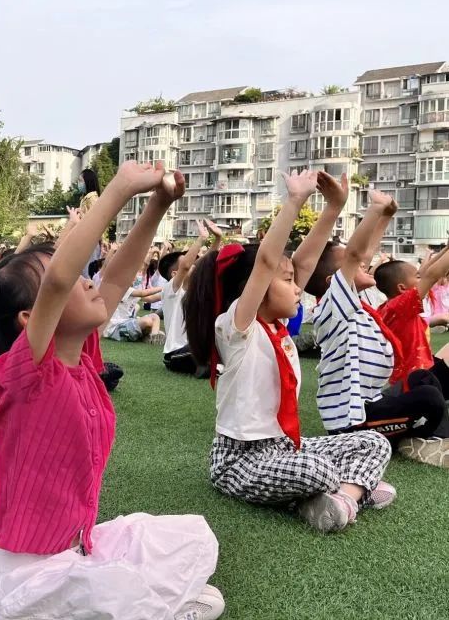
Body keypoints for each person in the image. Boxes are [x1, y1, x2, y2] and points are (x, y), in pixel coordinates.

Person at [0, 162, 223, 620]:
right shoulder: (26, 374)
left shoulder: (84, 358)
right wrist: (118, 188)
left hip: (80, 553)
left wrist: (159, 205)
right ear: (33, 320)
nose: (91, 282)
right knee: (127, 594)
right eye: (81, 279)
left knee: (191, 536)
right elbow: (58, 277)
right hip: (22, 585)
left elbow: (118, 273)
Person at [184, 170, 394, 534]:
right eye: (286, 281)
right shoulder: (238, 330)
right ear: (257, 288)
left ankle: (342, 498)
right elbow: (267, 264)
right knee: (317, 469)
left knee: (374, 442)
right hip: (239, 461)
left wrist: (334, 208)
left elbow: (304, 263)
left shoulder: (279, 330)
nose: (298, 287)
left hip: (285, 448)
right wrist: (295, 201)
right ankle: (350, 490)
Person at [305, 192, 448, 463]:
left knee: (424, 380)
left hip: (371, 406)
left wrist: (386, 217)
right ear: (334, 282)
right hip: (351, 425)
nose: (364, 264)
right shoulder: (334, 309)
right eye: (354, 265)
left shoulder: (361, 305)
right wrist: (374, 209)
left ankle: (423, 435)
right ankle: (420, 443)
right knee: (428, 396)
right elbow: (357, 253)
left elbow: (363, 253)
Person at [373, 250, 449, 465]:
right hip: (413, 382)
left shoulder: (391, 308)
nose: (421, 277)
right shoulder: (400, 307)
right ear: (402, 288)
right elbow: (432, 275)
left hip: (421, 375)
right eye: (416, 277)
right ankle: (435, 440)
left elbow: (427, 272)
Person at [159, 219, 222, 375]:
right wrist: (201, 238)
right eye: (189, 262)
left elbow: (206, 264)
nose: (194, 264)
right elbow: (187, 265)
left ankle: (209, 366)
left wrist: (218, 239)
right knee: (204, 352)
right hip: (175, 355)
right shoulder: (171, 290)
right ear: (175, 274)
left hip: (194, 349)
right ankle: (209, 366)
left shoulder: (191, 291)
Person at [78, 168, 102, 279]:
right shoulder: (85, 198)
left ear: (87, 181)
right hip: (86, 239)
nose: (79, 184)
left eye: (80, 181)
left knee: (88, 272)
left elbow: (96, 220)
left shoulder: (92, 198)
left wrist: (80, 216)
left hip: (90, 240)